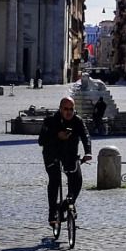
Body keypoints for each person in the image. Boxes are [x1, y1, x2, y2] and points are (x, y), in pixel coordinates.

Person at [38, 95, 90, 235]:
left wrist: (88, 152)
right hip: (52, 155)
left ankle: (64, 206)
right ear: (60, 109)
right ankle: (52, 213)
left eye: (71, 109)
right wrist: (57, 136)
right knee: (55, 180)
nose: (69, 112)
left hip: (70, 155)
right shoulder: (50, 121)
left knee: (77, 181)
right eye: (66, 109)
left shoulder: (77, 121)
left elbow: (85, 136)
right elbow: (41, 140)